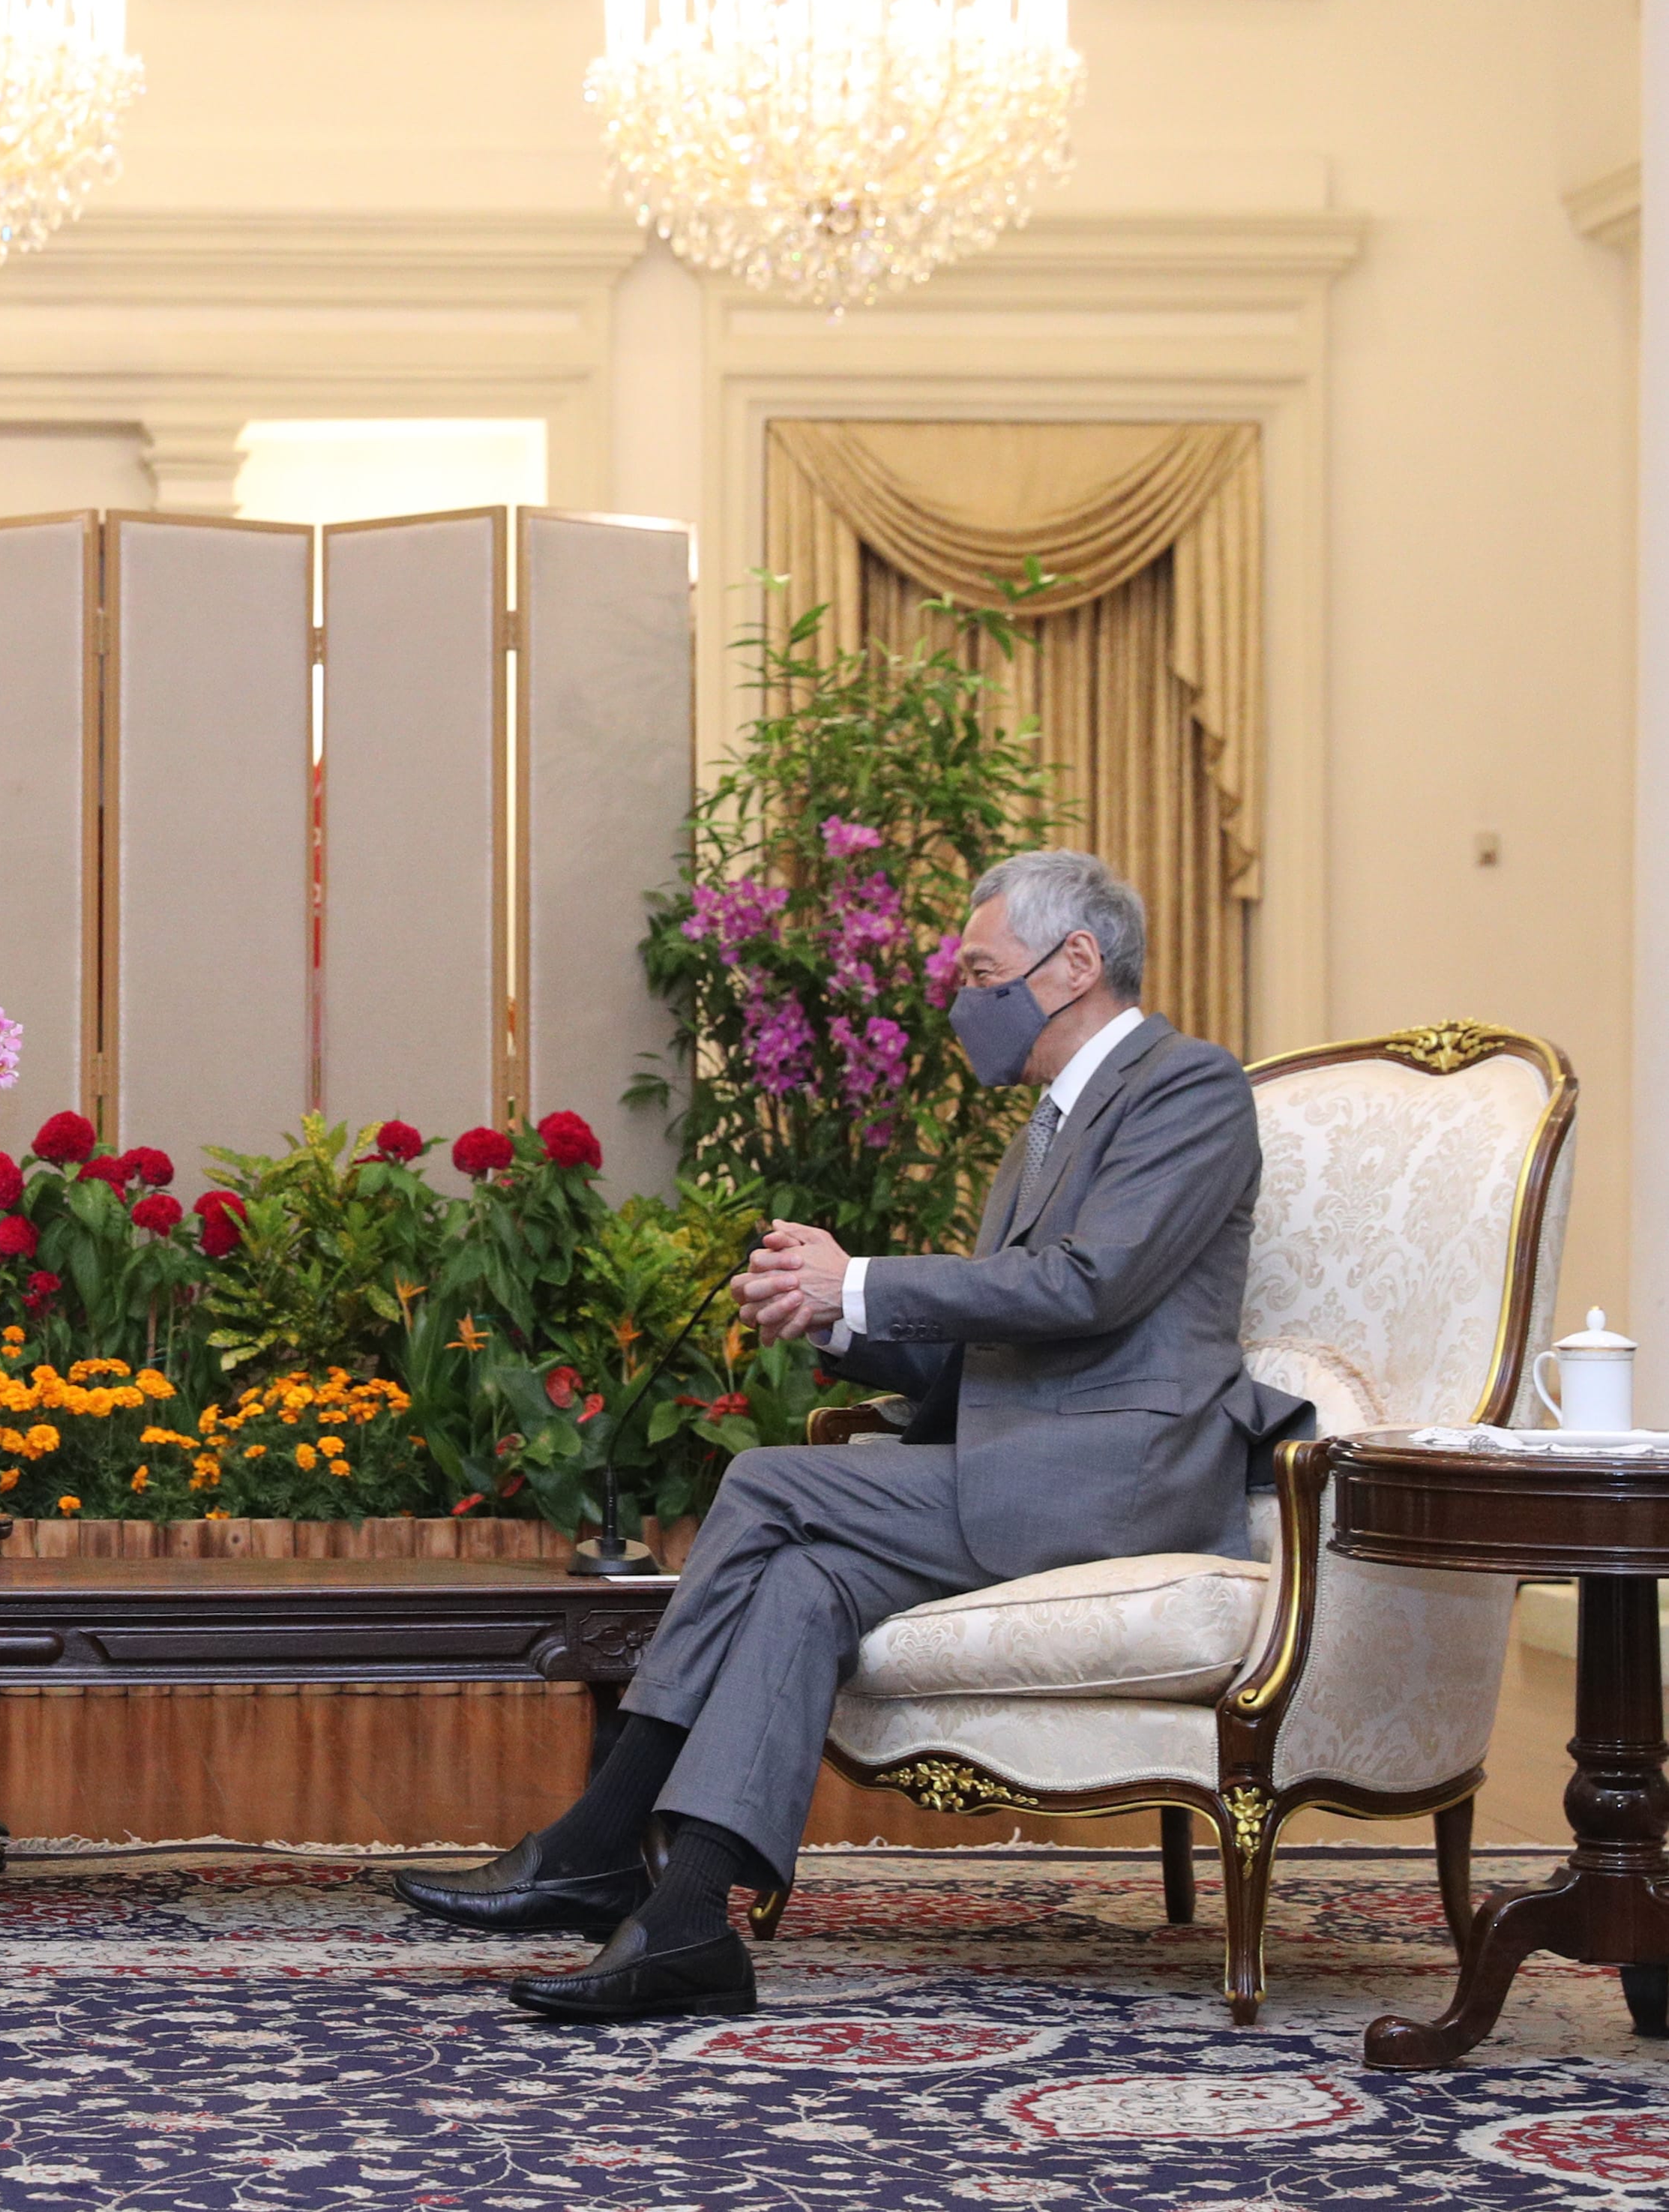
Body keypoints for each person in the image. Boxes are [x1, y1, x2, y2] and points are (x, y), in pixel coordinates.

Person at [394, 849, 1307, 2021]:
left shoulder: (1189, 1086)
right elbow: (992, 1346)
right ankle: (685, 1927)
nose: (959, 1001)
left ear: (1074, 961)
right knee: (806, 1580)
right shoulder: (1039, 1135)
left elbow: (1091, 1287)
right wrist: (830, 1315)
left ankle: (595, 1836)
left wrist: (862, 1276)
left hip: (1119, 1481)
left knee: (768, 1480)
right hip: (1018, 1468)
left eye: (979, 971)